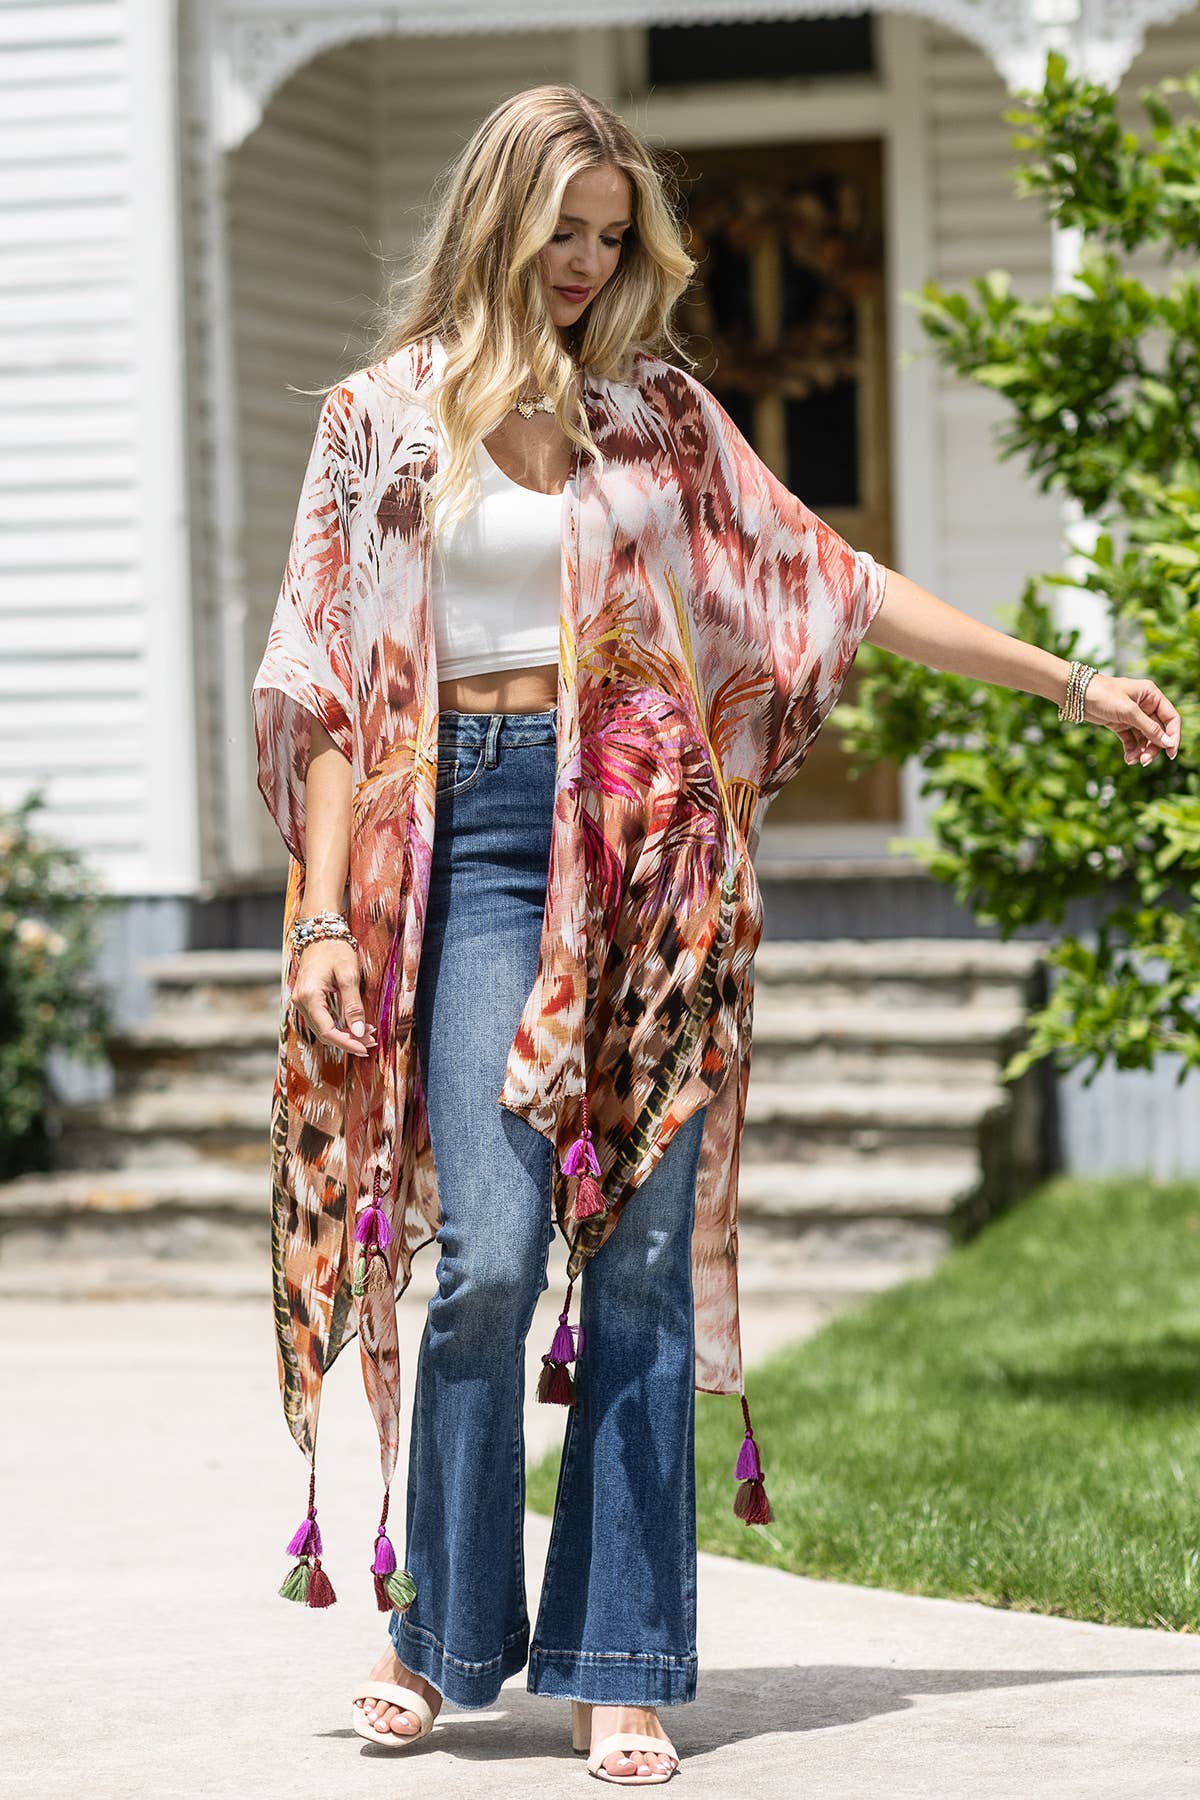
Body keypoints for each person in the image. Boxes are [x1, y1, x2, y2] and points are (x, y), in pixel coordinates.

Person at [251, 84, 1181, 1787]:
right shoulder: (378, 420)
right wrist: (319, 916)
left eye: (614, 238)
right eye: (567, 231)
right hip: (470, 852)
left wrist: (1067, 681)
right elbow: (321, 687)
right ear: (494, 219)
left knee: (645, 1268)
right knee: (489, 1259)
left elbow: (833, 575)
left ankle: (621, 1658)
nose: (589, 264)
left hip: (653, 857)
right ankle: (441, 1630)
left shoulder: (659, 416)